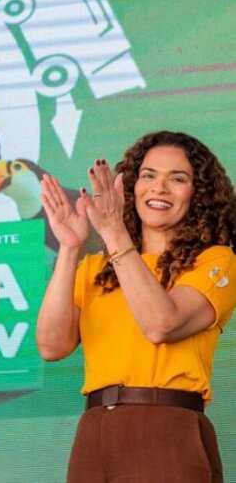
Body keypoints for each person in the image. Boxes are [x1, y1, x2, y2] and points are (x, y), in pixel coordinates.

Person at [36, 131, 236, 482]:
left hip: (167, 426)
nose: (159, 188)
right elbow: (51, 347)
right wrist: (69, 248)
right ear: (132, 187)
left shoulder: (215, 261)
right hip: (94, 428)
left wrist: (114, 232)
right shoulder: (94, 268)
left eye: (177, 179)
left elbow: (161, 324)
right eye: (148, 175)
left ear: (199, 193)